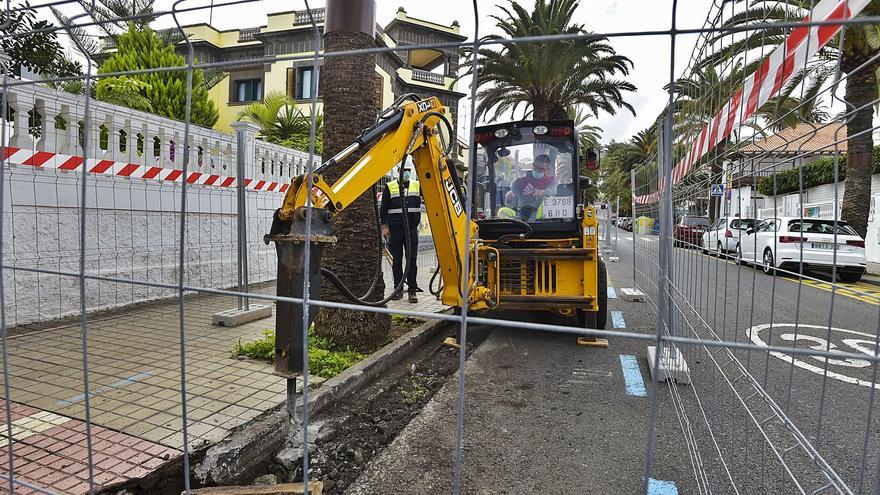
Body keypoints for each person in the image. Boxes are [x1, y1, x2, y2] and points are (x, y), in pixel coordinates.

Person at [380, 158, 424, 303]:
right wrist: (384, 227)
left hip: (411, 229)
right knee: (397, 261)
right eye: (404, 171)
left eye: (408, 171)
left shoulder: (417, 186)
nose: (406, 173)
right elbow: (383, 209)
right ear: (399, 171)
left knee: (412, 261)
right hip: (395, 230)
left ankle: (412, 290)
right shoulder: (390, 186)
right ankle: (398, 290)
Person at [504, 154, 557, 221]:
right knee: (502, 211)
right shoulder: (519, 182)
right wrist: (508, 199)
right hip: (521, 214)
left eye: (541, 169)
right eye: (536, 167)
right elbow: (511, 204)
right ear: (533, 164)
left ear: (547, 169)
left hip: (541, 217)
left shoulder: (550, 181)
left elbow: (554, 191)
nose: (537, 170)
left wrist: (544, 192)